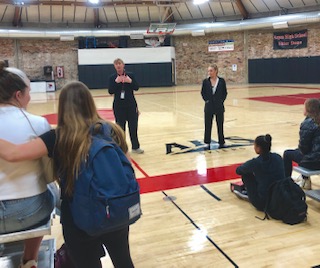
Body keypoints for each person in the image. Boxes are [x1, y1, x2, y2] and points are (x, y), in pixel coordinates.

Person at [0, 81, 134, 268]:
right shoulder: (112, 130)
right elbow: (126, 165)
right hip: (113, 210)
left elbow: (13, 154)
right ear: (89, 102)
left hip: (79, 217)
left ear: (62, 107)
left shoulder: (57, 137)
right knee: (123, 262)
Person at [0, 61, 54, 268]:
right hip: (29, 212)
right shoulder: (38, 123)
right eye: (27, 92)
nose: (30, 96)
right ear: (17, 95)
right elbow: (49, 173)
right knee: (50, 188)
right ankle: (29, 258)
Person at [235, 134, 285, 211]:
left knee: (245, 174)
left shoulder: (255, 162)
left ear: (258, 148)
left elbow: (238, 170)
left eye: (254, 145)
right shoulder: (278, 157)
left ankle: (249, 193)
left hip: (263, 203)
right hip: (280, 197)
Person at [108, 58, 144, 154]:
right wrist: (116, 82)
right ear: (114, 66)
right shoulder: (112, 78)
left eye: (119, 63)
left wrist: (130, 81)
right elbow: (110, 91)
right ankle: (122, 148)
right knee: (120, 129)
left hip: (131, 106)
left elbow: (136, 87)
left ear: (123, 65)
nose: (118, 66)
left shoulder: (130, 75)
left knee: (133, 127)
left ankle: (135, 147)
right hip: (118, 107)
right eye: (116, 64)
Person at [283, 98, 320, 190]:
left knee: (288, 154)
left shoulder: (307, 123)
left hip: (314, 162)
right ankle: (304, 179)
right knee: (300, 152)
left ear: (308, 109)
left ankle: (285, 184)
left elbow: (304, 149)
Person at [201, 64, 228, 149]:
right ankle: (207, 141)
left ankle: (221, 141)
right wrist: (207, 100)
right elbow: (203, 92)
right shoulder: (205, 81)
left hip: (219, 107)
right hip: (209, 107)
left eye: (211, 71)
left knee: (220, 125)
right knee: (208, 125)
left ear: (216, 71)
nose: (209, 72)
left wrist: (221, 101)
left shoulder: (222, 81)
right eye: (208, 71)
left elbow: (225, 92)